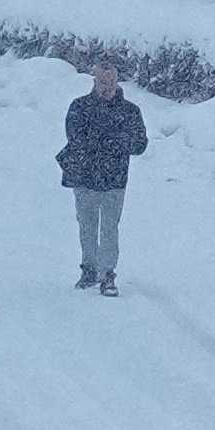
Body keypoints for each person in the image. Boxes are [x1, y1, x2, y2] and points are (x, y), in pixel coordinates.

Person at [57, 61, 148, 295]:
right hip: (85, 177)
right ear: (94, 79)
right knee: (87, 226)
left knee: (109, 228)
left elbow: (139, 145)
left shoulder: (130, 111)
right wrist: (113, 142)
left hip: (114, 179)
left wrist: (106, 142)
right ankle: (89, 269)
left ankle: (108, 274)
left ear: (117, 81)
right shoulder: (79, 107)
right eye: (101, 79)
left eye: (110, 79)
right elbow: (76, 140)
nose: (106, 84)